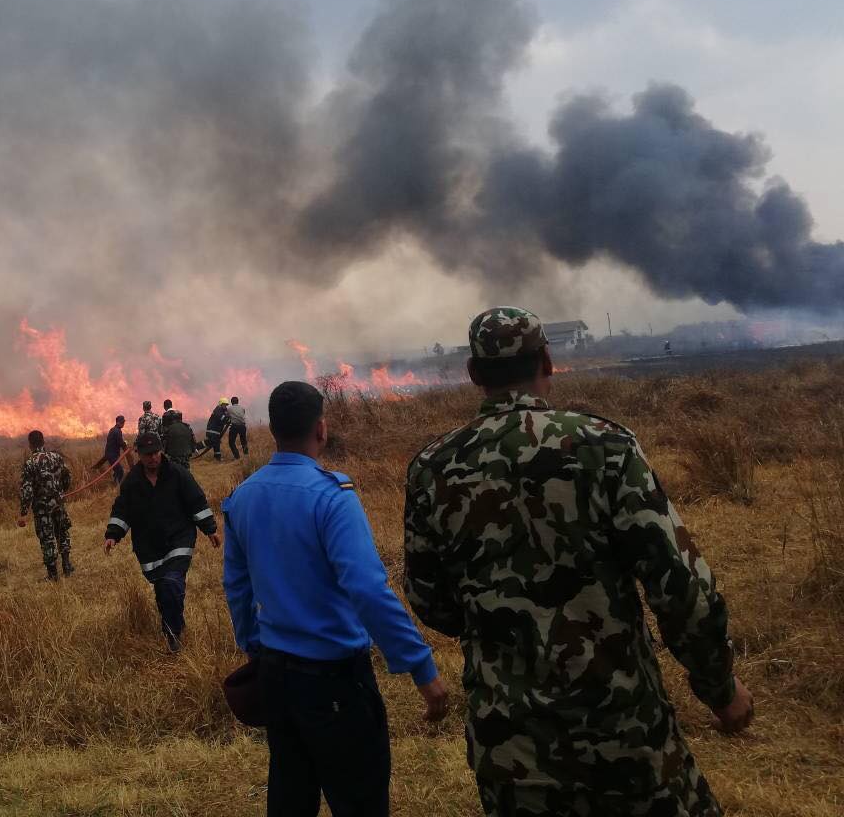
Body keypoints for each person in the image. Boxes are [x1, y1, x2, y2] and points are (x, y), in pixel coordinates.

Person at [405, 307, 754, 817]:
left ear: (474, 374)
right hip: (622, 734)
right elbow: (680, 586)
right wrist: (719, 688)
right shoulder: (605, 446)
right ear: (547, 360)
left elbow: (430, 602)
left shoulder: (432, 467)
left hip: (511, 750)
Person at [223, 381, 447, 817]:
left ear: (272, 429)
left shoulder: (242, 497)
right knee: (360, 800)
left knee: (290, 796)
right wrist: (420, 664)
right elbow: (365, 587)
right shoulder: (331, 496)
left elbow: (237, 586)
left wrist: (254, 645)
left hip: (275, 676)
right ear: (321, 430)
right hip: (334, 683)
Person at [104, 432, 219, 652]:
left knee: (171, 582)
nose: (152, 458)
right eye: (147, 454)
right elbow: (122, 510)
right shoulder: (133, 482)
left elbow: (196, 501)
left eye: (156, 452)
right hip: (148, 545)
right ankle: (173, 624)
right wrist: (113, 534)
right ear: (139, 454)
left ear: (161, 451)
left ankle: (173, 636)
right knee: (163, 588)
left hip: (179, 537)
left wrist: (210, 529)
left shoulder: (178, 474)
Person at [19, 430, 75, 579]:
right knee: (62, 532)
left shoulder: (30, 463)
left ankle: (53, 574)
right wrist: (61, 492)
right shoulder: (56, 457)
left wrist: (24, 513)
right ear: (43, 441)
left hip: (42, 508)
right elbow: (67, 476)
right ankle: (67, 566)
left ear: (30, 444)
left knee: (47, 538)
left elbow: (27, 490)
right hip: (59, 503)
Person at [92, 415, 129, 489]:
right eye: (122, 422)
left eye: (123, 422)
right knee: (120, 471)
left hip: (109, 454)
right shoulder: (117, 431)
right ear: (119, 422)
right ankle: (116, 487)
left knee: (116, 471)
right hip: (112, 455)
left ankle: (114, 485)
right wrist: (126, 443)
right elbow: (121, 443)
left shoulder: (112, 429)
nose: (123, 423)